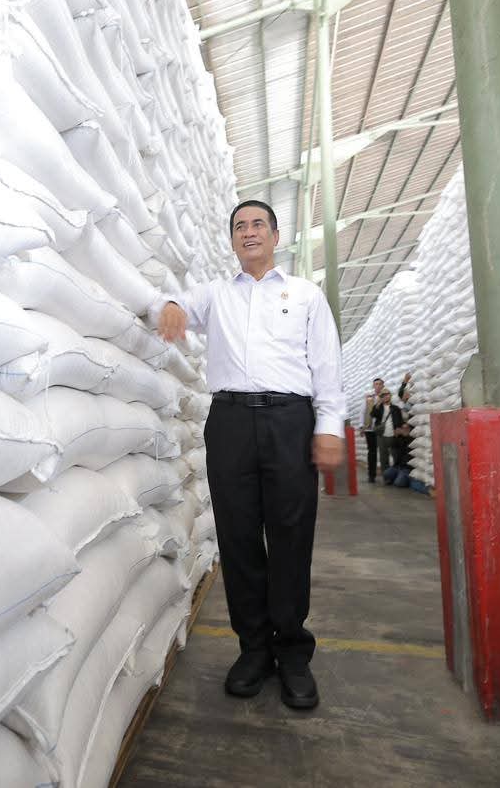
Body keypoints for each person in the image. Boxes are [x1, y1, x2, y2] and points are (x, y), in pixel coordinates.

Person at [157, 199, 344, 711]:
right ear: (233, 240)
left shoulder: (304, 295)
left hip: (290, 420)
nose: (249, 231)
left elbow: (326, 366)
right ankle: (254, 649)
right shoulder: (216, 294)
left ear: (276, 236)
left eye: (258, 223)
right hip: (231, 421)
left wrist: (329, 426)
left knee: (290, 534)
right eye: (240, 226)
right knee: (238, 537)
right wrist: (171, 306)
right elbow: (173, 304)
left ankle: (293, 652)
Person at [369, 390, 405, 477]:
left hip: (393, 435)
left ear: (390, 396)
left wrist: (398, 429)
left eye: (387, 395)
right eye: (383, 395)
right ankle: (386, 477)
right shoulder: (378, 407)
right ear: (381, 397)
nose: (385, 396)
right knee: (383, 457)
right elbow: (372, 414)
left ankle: (396, 476)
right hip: (381, 435)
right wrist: (377, 404)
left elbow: (400, 420)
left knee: (396, 456)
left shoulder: (395, 408)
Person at [362, 378, 385, 483]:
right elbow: (363, 411)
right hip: (370, 428)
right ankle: (372, 475)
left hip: (381, 428)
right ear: (373, 386)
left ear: (383, 386)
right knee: (372, 452)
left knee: (383, 451)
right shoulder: (369, 398)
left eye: (380, 384)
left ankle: (385, 474)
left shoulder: (386, 397)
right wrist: (361, 425)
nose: (378, 386)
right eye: (376, 384)